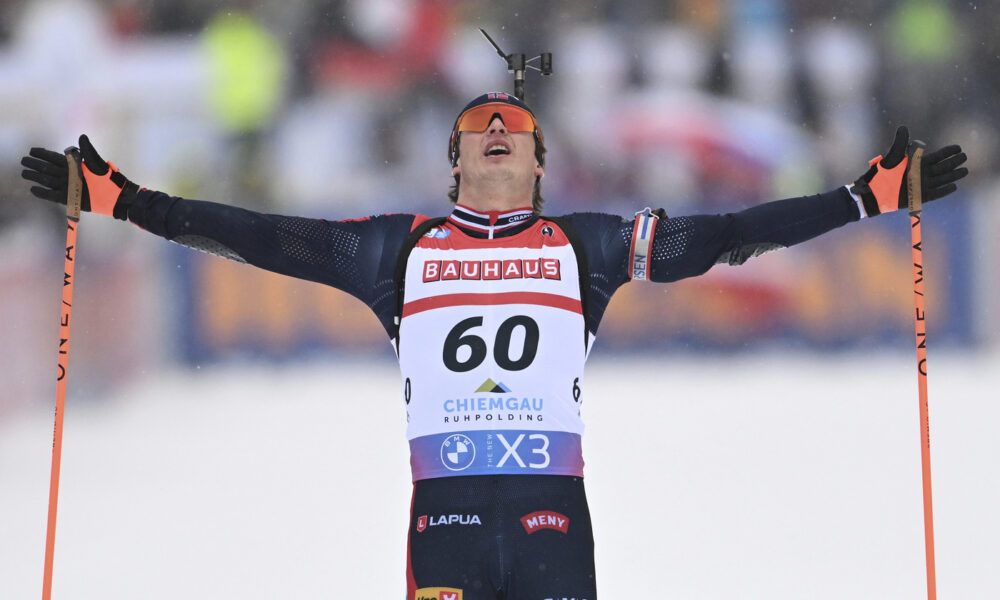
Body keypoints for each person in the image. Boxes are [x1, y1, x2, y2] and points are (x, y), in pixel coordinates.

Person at [20, 92, 968, 600]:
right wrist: (128, 202)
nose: (500, 130)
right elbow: (264, 237)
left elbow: (729, 236)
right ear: (456, 162)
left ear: (544, 164)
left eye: (516, 128)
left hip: (552, 516)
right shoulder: (397, 249)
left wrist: (862, 198)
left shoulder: (587, 245)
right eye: (480, 127)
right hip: (449, 518)